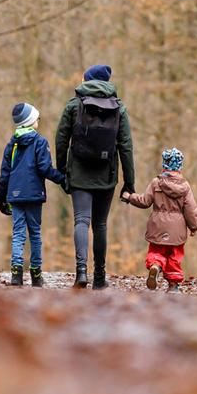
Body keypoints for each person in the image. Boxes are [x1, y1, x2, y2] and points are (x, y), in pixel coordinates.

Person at [53, 64, 135, 288]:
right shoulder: (119, 109)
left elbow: (61, 139)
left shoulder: (74, 105)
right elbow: (126, 146)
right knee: (100, 224)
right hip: (106, 175)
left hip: (79, 173)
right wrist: (129, 182)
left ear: (87, 80)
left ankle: (81, 272)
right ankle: (99, 277)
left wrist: (62, 172)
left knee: (81, 220)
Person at [0, 101, 66, 286]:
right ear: (30, 121)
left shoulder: (12, 143)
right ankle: (36, 274)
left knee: (18, 233)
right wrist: (63, 178)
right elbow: (45, 168)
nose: (38, 121)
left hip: (15, 195)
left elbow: (5, 173)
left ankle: (16, 273)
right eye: (36, 118)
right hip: (34, 194)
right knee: (34, 234)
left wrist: (1, 198)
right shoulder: (40, 141)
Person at [122, 147, 197, 290]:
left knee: (156, 251)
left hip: (157, 226)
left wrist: (130, 197)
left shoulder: (156, 183)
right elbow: (191, 209)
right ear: (180, 166)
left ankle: (156, 265)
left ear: (164, 164)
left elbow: (144, 201)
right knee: (175, 257)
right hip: (177, 231)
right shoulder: (185, 186)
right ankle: (173, 286)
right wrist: (194, 227)